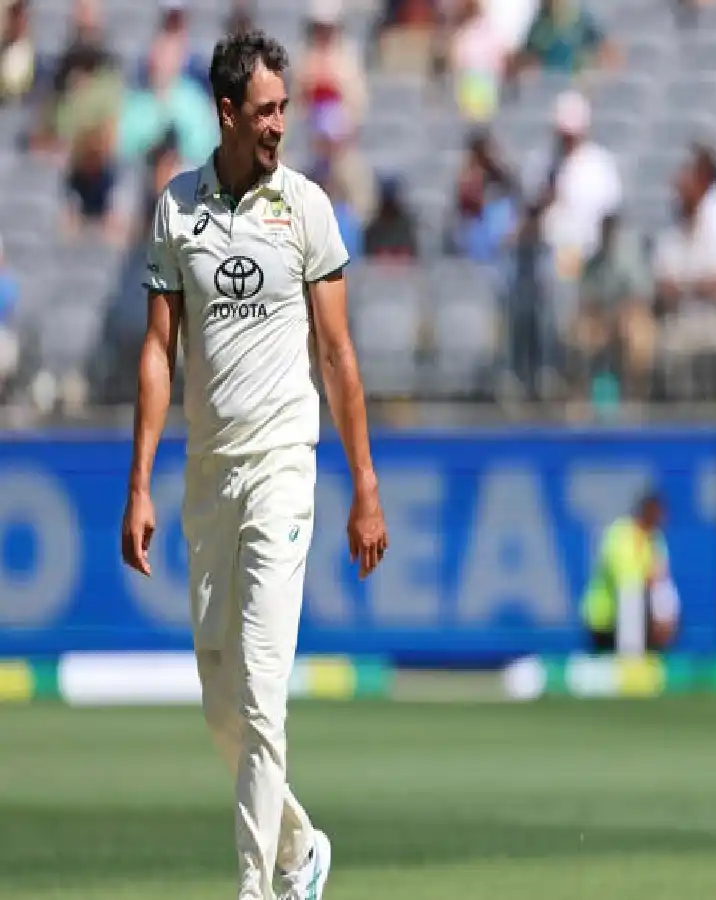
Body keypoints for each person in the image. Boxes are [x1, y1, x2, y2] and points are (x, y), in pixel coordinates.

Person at [120, 30, 388, 900]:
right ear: (227, 112)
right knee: (221, 703)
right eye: (266, 111)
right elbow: (159, 353)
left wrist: (365, 488)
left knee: (265, 689)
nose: (280, 125)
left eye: (285, 109)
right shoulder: (177, 210)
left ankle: (254, 888)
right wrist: (138, 484)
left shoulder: (306, 207)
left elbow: (340, 356)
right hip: (207, 476)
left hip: (283, 464)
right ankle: (298, 849)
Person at [580, 491, 680, 655]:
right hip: (604, 619)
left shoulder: (655, 538)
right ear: (646, 511)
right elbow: (628, 585)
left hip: (638, 618)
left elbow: (661, 580)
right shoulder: (619, 535)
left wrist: (665, 615)